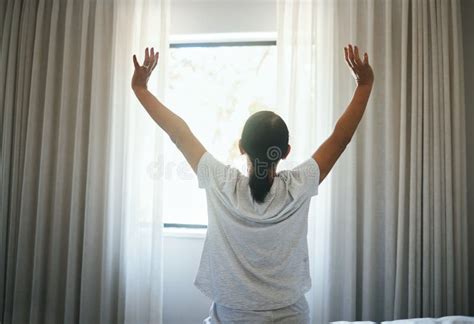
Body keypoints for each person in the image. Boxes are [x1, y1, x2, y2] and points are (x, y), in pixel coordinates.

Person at [132, 44, 374, 323]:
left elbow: (179, 133)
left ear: (241, 147)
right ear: (286, 152)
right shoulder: (301, 184)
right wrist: (364, 85)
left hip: (232, 318)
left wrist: (141, 89)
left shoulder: (219, 182)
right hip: (291, 316)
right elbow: (340, 138)